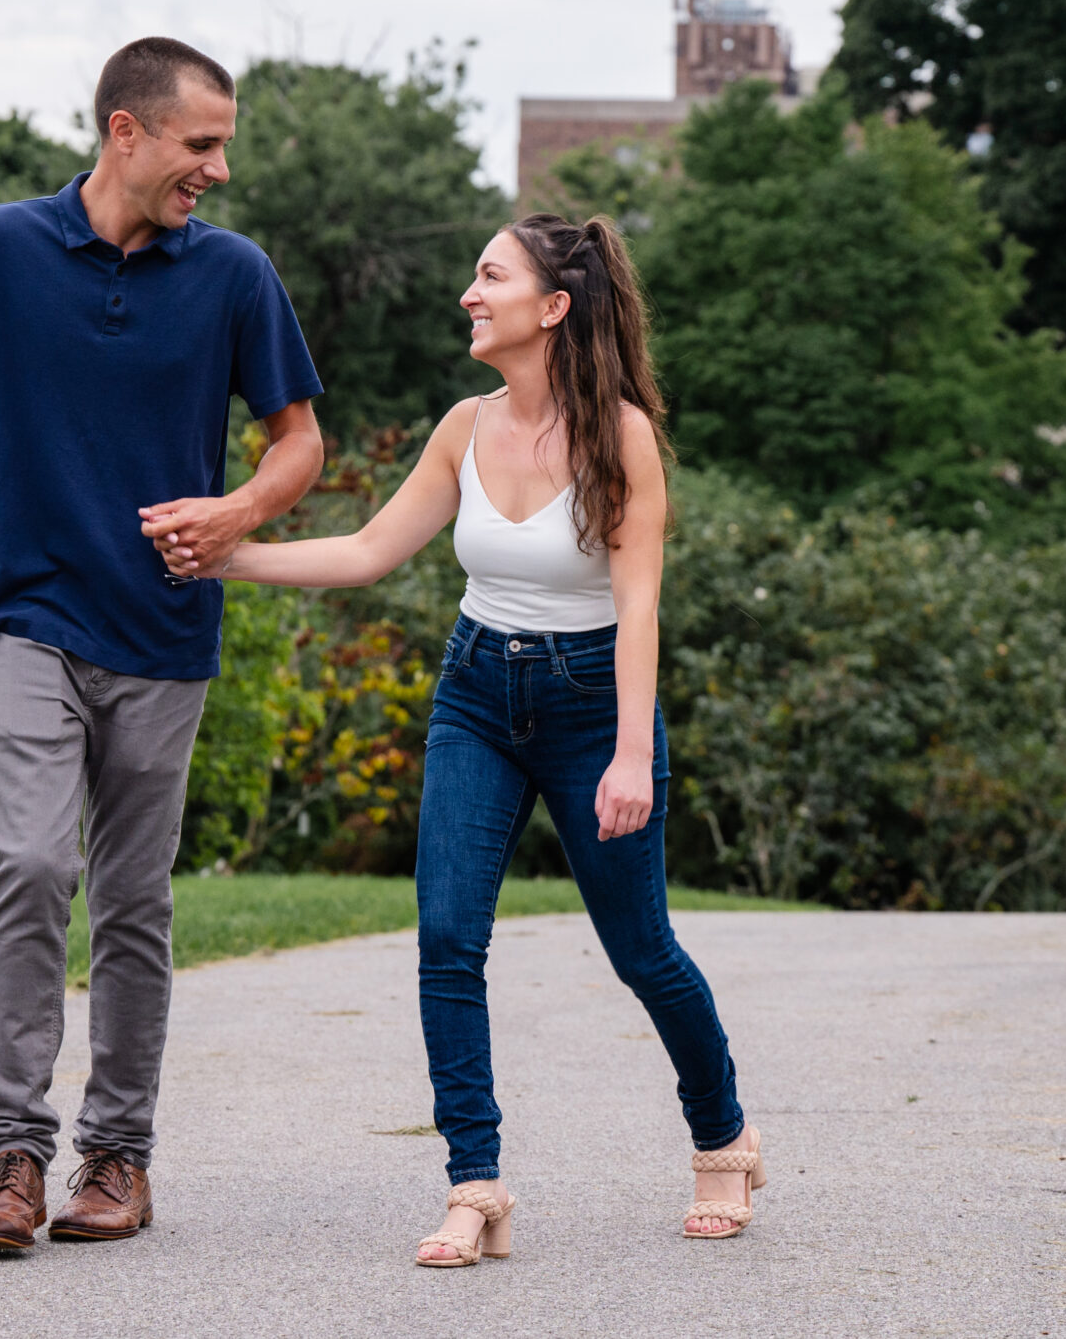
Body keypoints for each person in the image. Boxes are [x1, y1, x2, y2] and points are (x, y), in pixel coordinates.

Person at [146, 212, 761, 1264]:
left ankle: (723, 1138)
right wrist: (225, 551)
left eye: (490, 277)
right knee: (445, 938)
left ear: (553, 308)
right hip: (477, 692)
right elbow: (369, 551)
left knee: (642, 950)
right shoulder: (462, 427)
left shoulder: (621, 437)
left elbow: (640, 602)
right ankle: (474, 1186)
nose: (469, 296)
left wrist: (625, 752)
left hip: (589, 700)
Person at [0, 37, 324, 1251]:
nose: (217, 168)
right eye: (201, 143)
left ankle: (116, 1156)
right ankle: (12, 1157)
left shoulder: (232, 276)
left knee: (130, 895)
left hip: (163, 633)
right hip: (24, 611)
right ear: (126, 130)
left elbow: (298, 443)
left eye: (222, 144)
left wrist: (239, 512)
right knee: (28, 863)